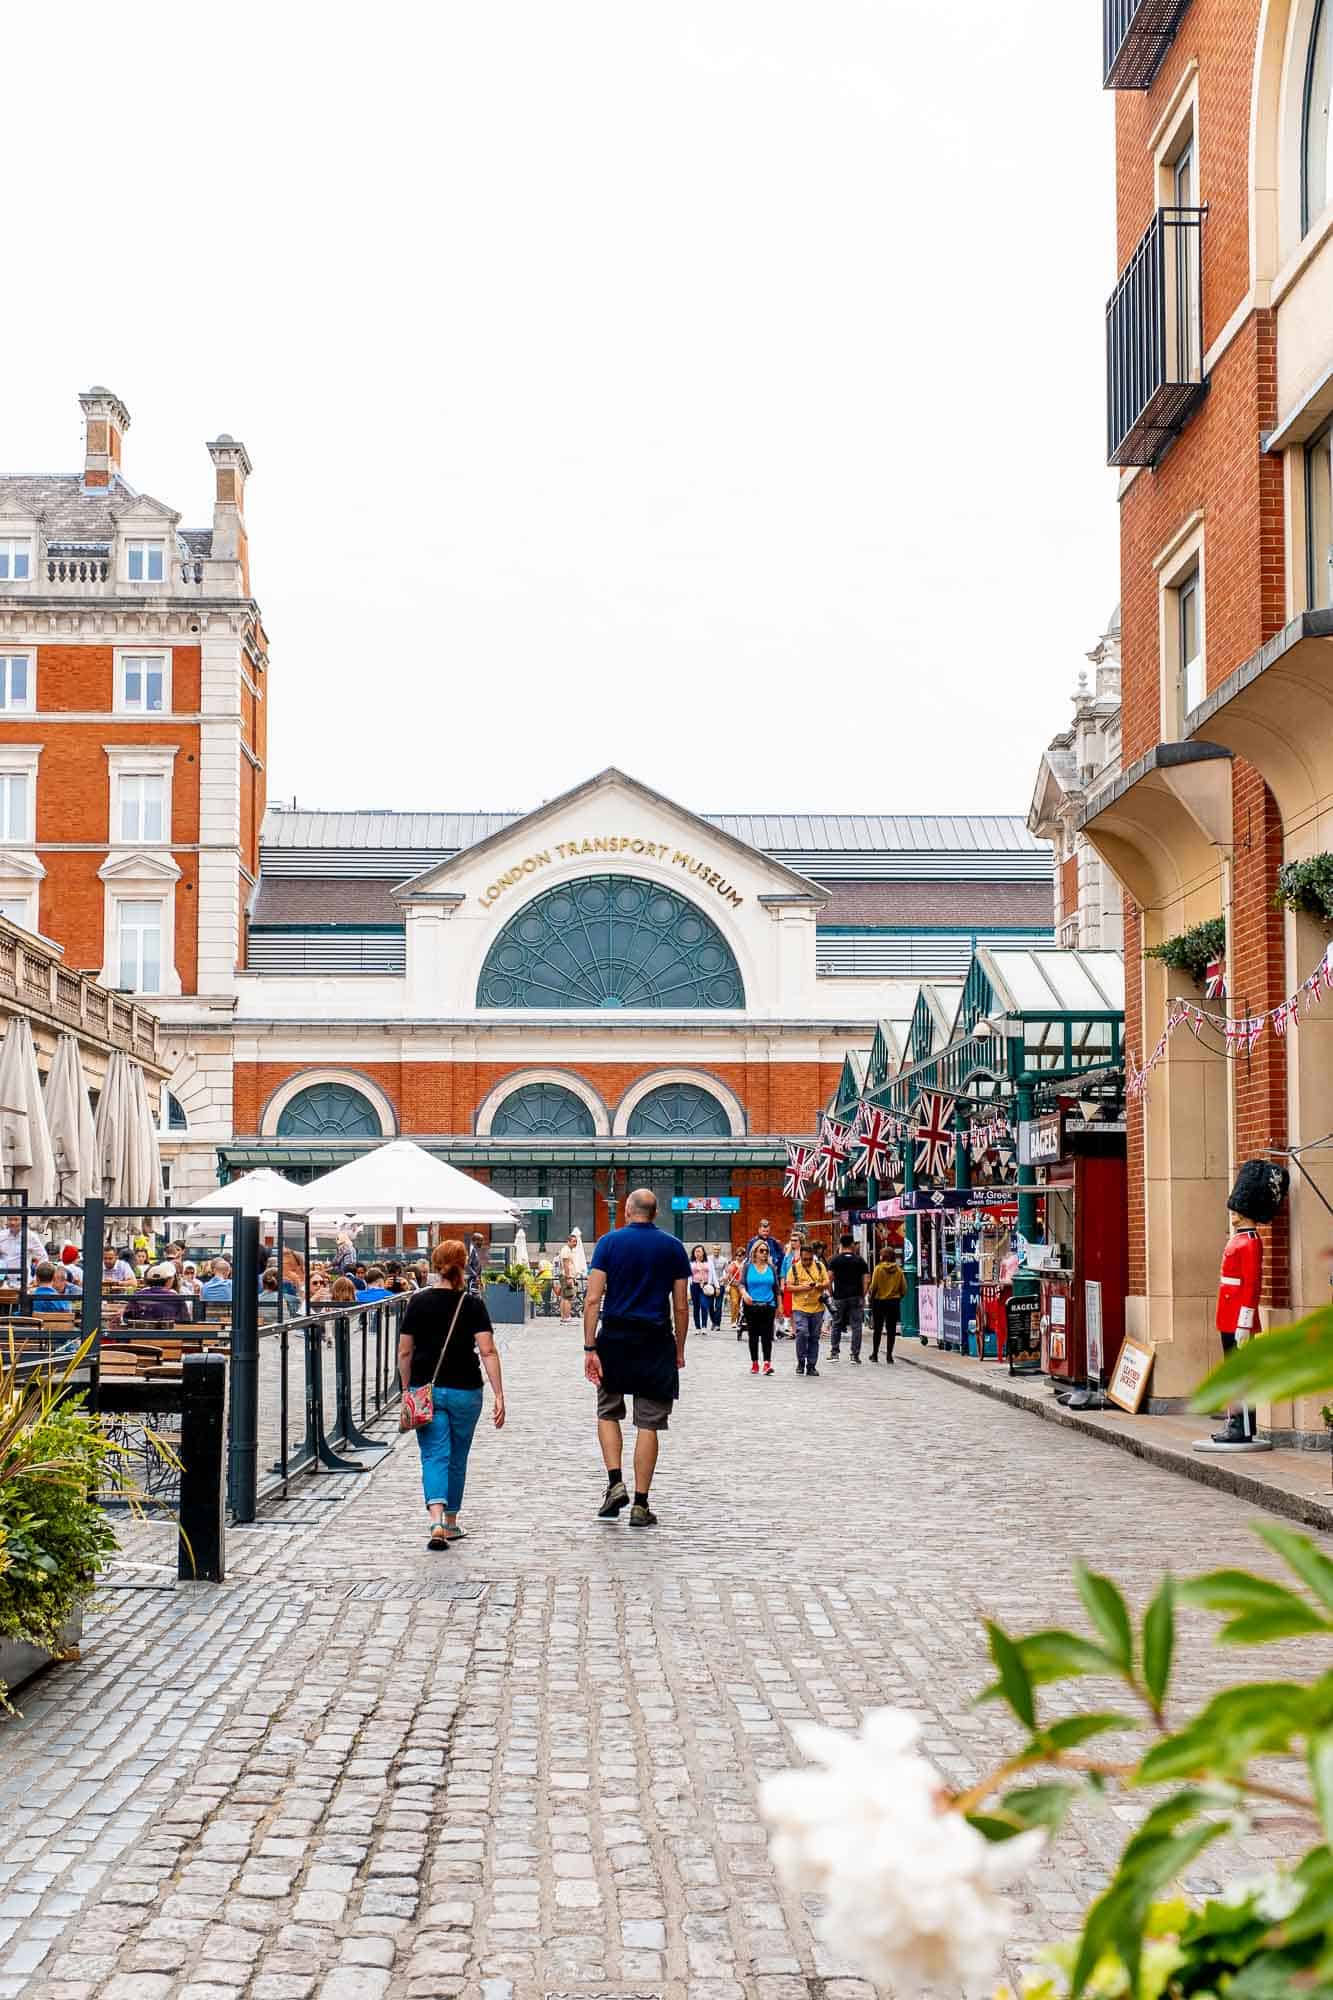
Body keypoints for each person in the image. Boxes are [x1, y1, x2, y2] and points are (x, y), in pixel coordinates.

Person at [583, 1188, 690, 1528]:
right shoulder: (673, 1247)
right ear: (655, 1213)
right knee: (649, 1422)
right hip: (655, 1338)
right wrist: (679, 1349)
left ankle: (615, 1483)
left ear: (628, 1210)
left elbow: (592, 1299)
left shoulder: (608, 1244)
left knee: (607, 1410)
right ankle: (641, 1505)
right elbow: (681, 1305)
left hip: (614, 1337)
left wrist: (589, 1347)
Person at [398, 1237, 505, 1550]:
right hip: (465, 1389)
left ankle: (435, 1520)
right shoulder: (472, 1304)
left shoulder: (418, 1302)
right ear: (464, 1266)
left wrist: (407, 1389)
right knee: (457, 1458)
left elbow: (405, 1351)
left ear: (436, 1265)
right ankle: (452, 1522)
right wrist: (499, 1394)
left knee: (433, 1454)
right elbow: (488, 1350)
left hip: (425, 1388)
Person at [787, 1236, 830, 1378]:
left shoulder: (819, 1266)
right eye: (805, 1259)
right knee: (802, 1332)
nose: (807, 1262)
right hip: (800, 1307)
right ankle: (800, 1362)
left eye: (809, 1259)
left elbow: (827, 1283)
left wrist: (819, 1285)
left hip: (817, 1307)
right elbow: (788, 1287)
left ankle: (811, 1365)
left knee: (814, 1337)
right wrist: (802, 1287)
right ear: (800, 1256)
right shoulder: (794, 1268)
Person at [828, 1232, 870, 1363]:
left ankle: (834, 1352)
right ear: (852, 1245)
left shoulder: (834, 1260)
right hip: (855, 1295)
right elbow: (867, 1280)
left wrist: (831, 1293)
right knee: (856, 1325)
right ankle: (854, 1355)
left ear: (841, 1244)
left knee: (836, 1324)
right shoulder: (860, 1260)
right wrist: (862, 1295)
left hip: (839, 1296)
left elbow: (828, 1279)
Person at [740, 1239, 778, 1375]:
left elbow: (776, 1288)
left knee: (767, 1336)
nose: (764, 1253)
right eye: (761, 1251)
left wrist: (779, 1307)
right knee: (753, 1335)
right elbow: (741, 1284)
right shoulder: (747, 1267)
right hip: (751, 1305)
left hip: (769, 1305)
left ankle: (767, 1363)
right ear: (754, 1252)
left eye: (766, 1251)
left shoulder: (772, 1268)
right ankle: (755, 1362)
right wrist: (744, 1293)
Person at [869, 1249, 906, 1362]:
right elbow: (904, 1289)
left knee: (878, 1329)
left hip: (879, 1301)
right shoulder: (899, 1271)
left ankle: (875, 1354)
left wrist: (872, 1296)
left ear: (882, 1257)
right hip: (893, 1302)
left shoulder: (878, 1269)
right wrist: (897, 1296)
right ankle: (889, 1356)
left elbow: (873, 1286)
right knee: (891, 1330)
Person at [123, 1264, 189, 1327]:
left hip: (140, 1336)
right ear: (166, 1281)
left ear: (147, 1281)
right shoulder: (177, 1298)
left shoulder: (137, 1296)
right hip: (171, 1336)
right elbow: (185, 1321)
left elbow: (126, 1318)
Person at [0, 1213, 46, 1279]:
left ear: (23, 1221)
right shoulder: (1, 1235)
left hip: (23, 1280)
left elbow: (43, 1257)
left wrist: (37, 1277)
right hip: (3, 1281)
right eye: (10, 1219)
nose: (12, 1222)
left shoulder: (30, 1236)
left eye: (16, 1219)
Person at [688, 1245, 713, 1332]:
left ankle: (704, 1326)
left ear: (703, 1252)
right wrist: (688, 1291)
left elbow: (712, 1274)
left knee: (704, 1305)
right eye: (696, 1251)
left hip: (705, 1286)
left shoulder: (708, 1262)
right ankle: (697, 1327)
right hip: (694, 1285)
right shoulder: (691, 1263)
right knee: (696, 1306)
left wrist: (715, 1286)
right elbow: (688, 1277)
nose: (697, 1253)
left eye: (699, 1251)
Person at [557, 1234, 580, 1323]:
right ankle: (567, 1317)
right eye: (573, 1241)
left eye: (576, 1241)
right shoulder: (566, 1250)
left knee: (564, 1297)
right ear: (568, 1241)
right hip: (567, 1276)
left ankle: (563, 1317)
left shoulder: (567, 1250)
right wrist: (569, 1277)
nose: (575, 1243)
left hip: (564, 1276)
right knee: (568, 1297)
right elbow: (566, 1265)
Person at [706, 1248, 727, 1330]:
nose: (716, 1251)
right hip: (710, 1285)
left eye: (718, 1250)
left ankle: (717, 1324)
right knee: (710, 1305)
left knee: (718, 1305)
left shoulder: (724, 1260)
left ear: (720, 1250)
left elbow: (727, 1271)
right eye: (714, 1249)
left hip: (720, 1284)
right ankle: (714, 1321)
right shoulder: (708, 1259)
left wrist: (724, 1278)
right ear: (712, 1250)